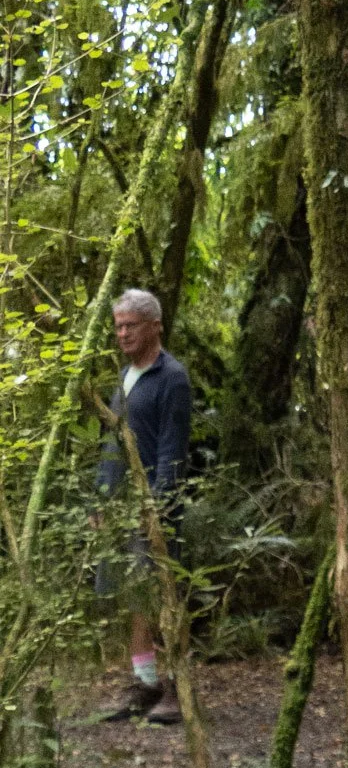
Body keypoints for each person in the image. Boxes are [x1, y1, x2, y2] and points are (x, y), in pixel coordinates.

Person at [95, 289, 191, 725]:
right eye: (118, 326)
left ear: (155, 326)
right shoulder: (124, 377)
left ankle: (175, 687)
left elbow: (173, 450)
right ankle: (145, 683)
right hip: (119, 508)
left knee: (163, 596)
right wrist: (102, 500)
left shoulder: (172, 377)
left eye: (131, 324)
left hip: (153, 510)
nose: (123, 333)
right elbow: (111, 446)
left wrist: (157, 506)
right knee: (135, 596)